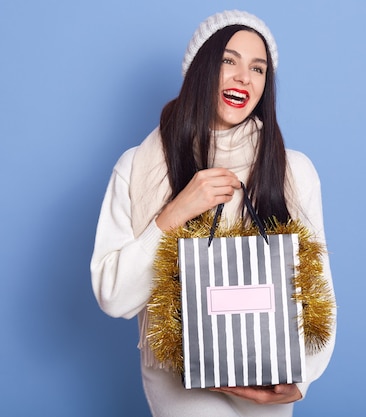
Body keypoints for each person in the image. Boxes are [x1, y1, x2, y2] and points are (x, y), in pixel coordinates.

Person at [90, 10, 336, 417]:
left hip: (267, 370)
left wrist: (299, 381)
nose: (244, 76)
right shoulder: (139, 166)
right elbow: (113, 297)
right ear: (200, 70)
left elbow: (319, 289)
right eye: (228, 60)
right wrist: (175, 212)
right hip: (180, 373)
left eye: (258, 68)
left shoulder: (293, 170)